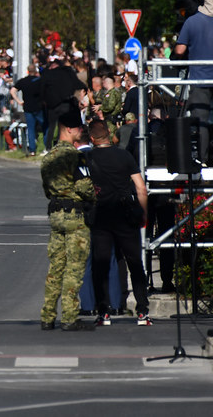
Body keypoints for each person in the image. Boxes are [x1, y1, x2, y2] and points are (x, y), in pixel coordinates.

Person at [85, 120, 152, 326]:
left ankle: (103, 312)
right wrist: (143, 213)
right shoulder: (124, 155)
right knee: (135, 262)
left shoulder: (88, 158)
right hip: (125, 214)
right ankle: (142, 311)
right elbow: (141, 187)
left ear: (92, 138)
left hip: (101, 215)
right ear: (108, 133)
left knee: (101, 264)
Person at [39, 109, 95, 332]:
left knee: (55, 268)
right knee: (74, 268)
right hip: (75, 216)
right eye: (79, 128)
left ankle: (47, 316)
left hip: (56, 214)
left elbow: (47, 189)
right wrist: (93, 196)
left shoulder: (48, 157)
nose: (81, 131)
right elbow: (84, 186)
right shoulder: (75, 156)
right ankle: (70, 317)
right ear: (69, 130)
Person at [173, 0, 213, 163]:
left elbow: (180, 50)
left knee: (201, 121)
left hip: (200, 79)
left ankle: (203, 159)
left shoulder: (192, 22)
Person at [41, 55, 88, 151]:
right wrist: (84, 91)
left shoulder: (48, 74)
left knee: (52, 126)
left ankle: (48, 147)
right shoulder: (68, 72)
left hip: (53, 105)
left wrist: (44, 101)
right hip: (67, 103)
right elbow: (77, 84)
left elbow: (42, 89)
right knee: (68, 125)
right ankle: (71, 143)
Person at [12, 65, 44, 157]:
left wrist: (19, 101)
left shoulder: (23, 81)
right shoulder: (40, 81)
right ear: (36, 71)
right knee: (45, 127)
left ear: (27, 71)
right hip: (39, 107)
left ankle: (32, 150)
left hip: (27, 108)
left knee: (30, 129)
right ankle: (47, 147)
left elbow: (13, 91)